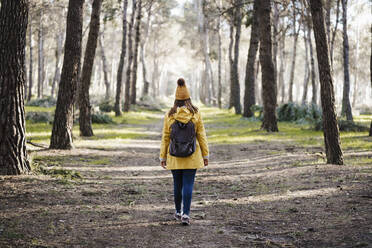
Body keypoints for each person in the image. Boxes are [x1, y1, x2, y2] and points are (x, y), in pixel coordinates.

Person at [159, 78, 209, 226]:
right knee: (188, 184)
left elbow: (165, 137)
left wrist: (162, 156)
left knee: (177, 185)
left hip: (174, 156)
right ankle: (186, 214)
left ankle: (177, 212)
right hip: (192, 155)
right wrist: (205, 155)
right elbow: (201, 135)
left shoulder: (169, 115)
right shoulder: (196, 113)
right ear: (189, 98)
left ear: (176, 99)